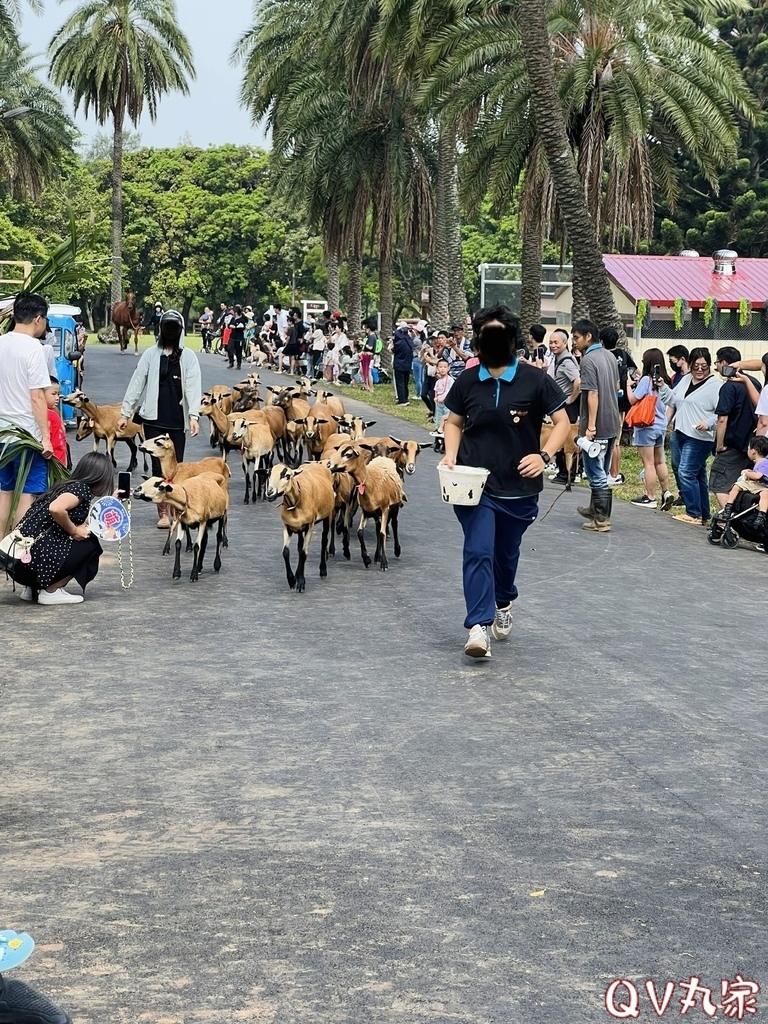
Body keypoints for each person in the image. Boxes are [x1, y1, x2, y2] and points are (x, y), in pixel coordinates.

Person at [441, 304, 570, 660]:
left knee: (505, 553)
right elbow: (453, 421)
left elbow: (562, 422)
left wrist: (543, 456)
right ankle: (477, 626)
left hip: (519, 487)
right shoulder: (468, 379)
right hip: (473, 483)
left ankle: (503, 600)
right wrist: (451, 454)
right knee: (478, 549)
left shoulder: (535, 379)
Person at [117, 310, 202, 529]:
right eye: (167, 327)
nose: (171, 331)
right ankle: (163, 513)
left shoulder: (188, 357)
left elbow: (193, 387)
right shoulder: (150, 355)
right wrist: (125, 413)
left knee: (176, 469)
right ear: (161, 329)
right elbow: (137, 382)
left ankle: (177, 510)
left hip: (177, 420)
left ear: (180, 331)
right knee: (157, 468)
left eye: (175, 328)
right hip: (153, 419)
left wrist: (194, 416)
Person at [10, 451, 115, 605]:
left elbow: (86, 520)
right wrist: (73, 530)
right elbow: (56, 508)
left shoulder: (66, 486)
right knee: (90, 544)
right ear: (100, 478)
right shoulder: (81, 489)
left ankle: (32, 588)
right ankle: (51, 590)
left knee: (68, 537)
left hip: (19, 563)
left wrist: (112, 502)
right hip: (28, 564)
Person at [0, 291, 54, 531]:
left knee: (4, 493)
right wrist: (46, 437)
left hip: (2, 433)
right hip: (26, 436)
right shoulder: (34, 348)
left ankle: (1, 547)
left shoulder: (1, 343)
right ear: (38, 319)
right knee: (26, 495)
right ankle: (16, 553)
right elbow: (37, 397)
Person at [656, 347, 722, 526]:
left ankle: (693, 513)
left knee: (686, 472)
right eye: (696, 366)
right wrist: (662, 386)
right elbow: (673, 400)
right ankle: (703, 514)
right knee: (695, 473)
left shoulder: (715, 386)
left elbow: (721, 413)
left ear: (709, 366)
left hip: (700, 437)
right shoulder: (685, 380)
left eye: (704, 366)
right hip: (680, 432)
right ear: (690, 365)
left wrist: (708, 423)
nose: (700, 370)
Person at [573, 320, 621, 532]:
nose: (575, 342)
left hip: (598, 425)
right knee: (601, 468)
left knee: (596, 472)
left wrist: (590, 427)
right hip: (612, 422)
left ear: (588, 336)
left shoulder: (588, 360)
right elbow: (616, 386)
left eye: (576, 337)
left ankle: (601, 518)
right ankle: (595, 509)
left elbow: (592, 393)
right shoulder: (610, 356)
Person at [710, 346, 762, 508]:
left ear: (724, 363)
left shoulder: (729, 386)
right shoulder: (754, 383)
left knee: (720, 485)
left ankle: (729, 522)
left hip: (731, 445)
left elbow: (722, 419)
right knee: (744, 487)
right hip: (752, 445)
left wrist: (719, 445)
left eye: (717, 363)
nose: (717, 367)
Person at [625, 349, 674, 511]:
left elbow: (633, 399)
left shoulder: (646, 380)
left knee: (648, 464)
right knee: (660, 461)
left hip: (646, 425)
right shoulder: (664, 380)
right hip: (660, 425)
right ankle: (666, 492)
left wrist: (628, 386)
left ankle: (650, 496)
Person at [600, 327, 636, 486]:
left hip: (606, 402)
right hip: (621, 403)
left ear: (601, 341)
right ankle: (611, 472)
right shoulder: (623, 354)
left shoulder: (602, 356)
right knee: (615, 439)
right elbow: (635, 372)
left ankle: (613, 474)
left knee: (612, 441)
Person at [547, 328, 580, 484]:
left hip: (566, 406)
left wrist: (570, 399)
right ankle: (562, 472)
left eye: (556, 342)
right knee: (560, 440)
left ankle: (568, 475)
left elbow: (578, 382)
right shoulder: (558, 358)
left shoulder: (567, 361)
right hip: (559, 404)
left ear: (565, 343)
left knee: (567, 441)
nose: (552, 345)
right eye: (551, 342)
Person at [721, 435, 768, 532]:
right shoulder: (758, 462)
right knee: (736, 485)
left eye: (748, 448)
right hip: (756, 485)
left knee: (765, 494)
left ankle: (761, 514)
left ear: (753, 451)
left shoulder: (764, 462)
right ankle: (729, 506)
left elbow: (758, 476)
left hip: (763, 486)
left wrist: (747, 472)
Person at [665, 345, 691, 504]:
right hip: (677, 427)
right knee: (676, 464)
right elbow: (672, 404)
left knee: (688, 466)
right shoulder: (675, 378)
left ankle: (690, 497)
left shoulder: (695, 378)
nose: (672, 364)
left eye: (673, 361)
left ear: (683, 359)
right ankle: (683, 494)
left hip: (692, 429)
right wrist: (665, 423)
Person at [45, 379, 68, 467]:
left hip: (60, 461)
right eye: (53, 394)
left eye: (58, 394)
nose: (57, 398)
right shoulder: (49, 415)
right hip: (55, 462)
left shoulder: (54, 413)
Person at [391, 323, 413, 405]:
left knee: (400, 382)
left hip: (399, 365)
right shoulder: (409, 341)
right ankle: (406, 397)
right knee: (405, 382)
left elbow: (392, 350)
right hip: (407, 364)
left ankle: (402, 400)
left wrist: (391, 344)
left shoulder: (399, 343)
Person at [227, 304, 247, 371]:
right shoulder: (233, 318)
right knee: (229, 349)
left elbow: (242, 327)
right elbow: (229, 325)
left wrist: (235, 326)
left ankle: (239, 364)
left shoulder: (242, 319)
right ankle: (231, 362)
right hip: (232, 336)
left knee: (238, 351)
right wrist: (232, 326)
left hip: (239, 338)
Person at [360, 319, 377, 392]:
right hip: (368, 356)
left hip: (369, 356)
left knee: (368, 372)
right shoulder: (373, 336)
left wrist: (362, 343)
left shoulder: (372, 337)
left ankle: (371, 387)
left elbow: (370, 347)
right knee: (366, 372)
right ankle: (367, 386)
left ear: (369, 329)